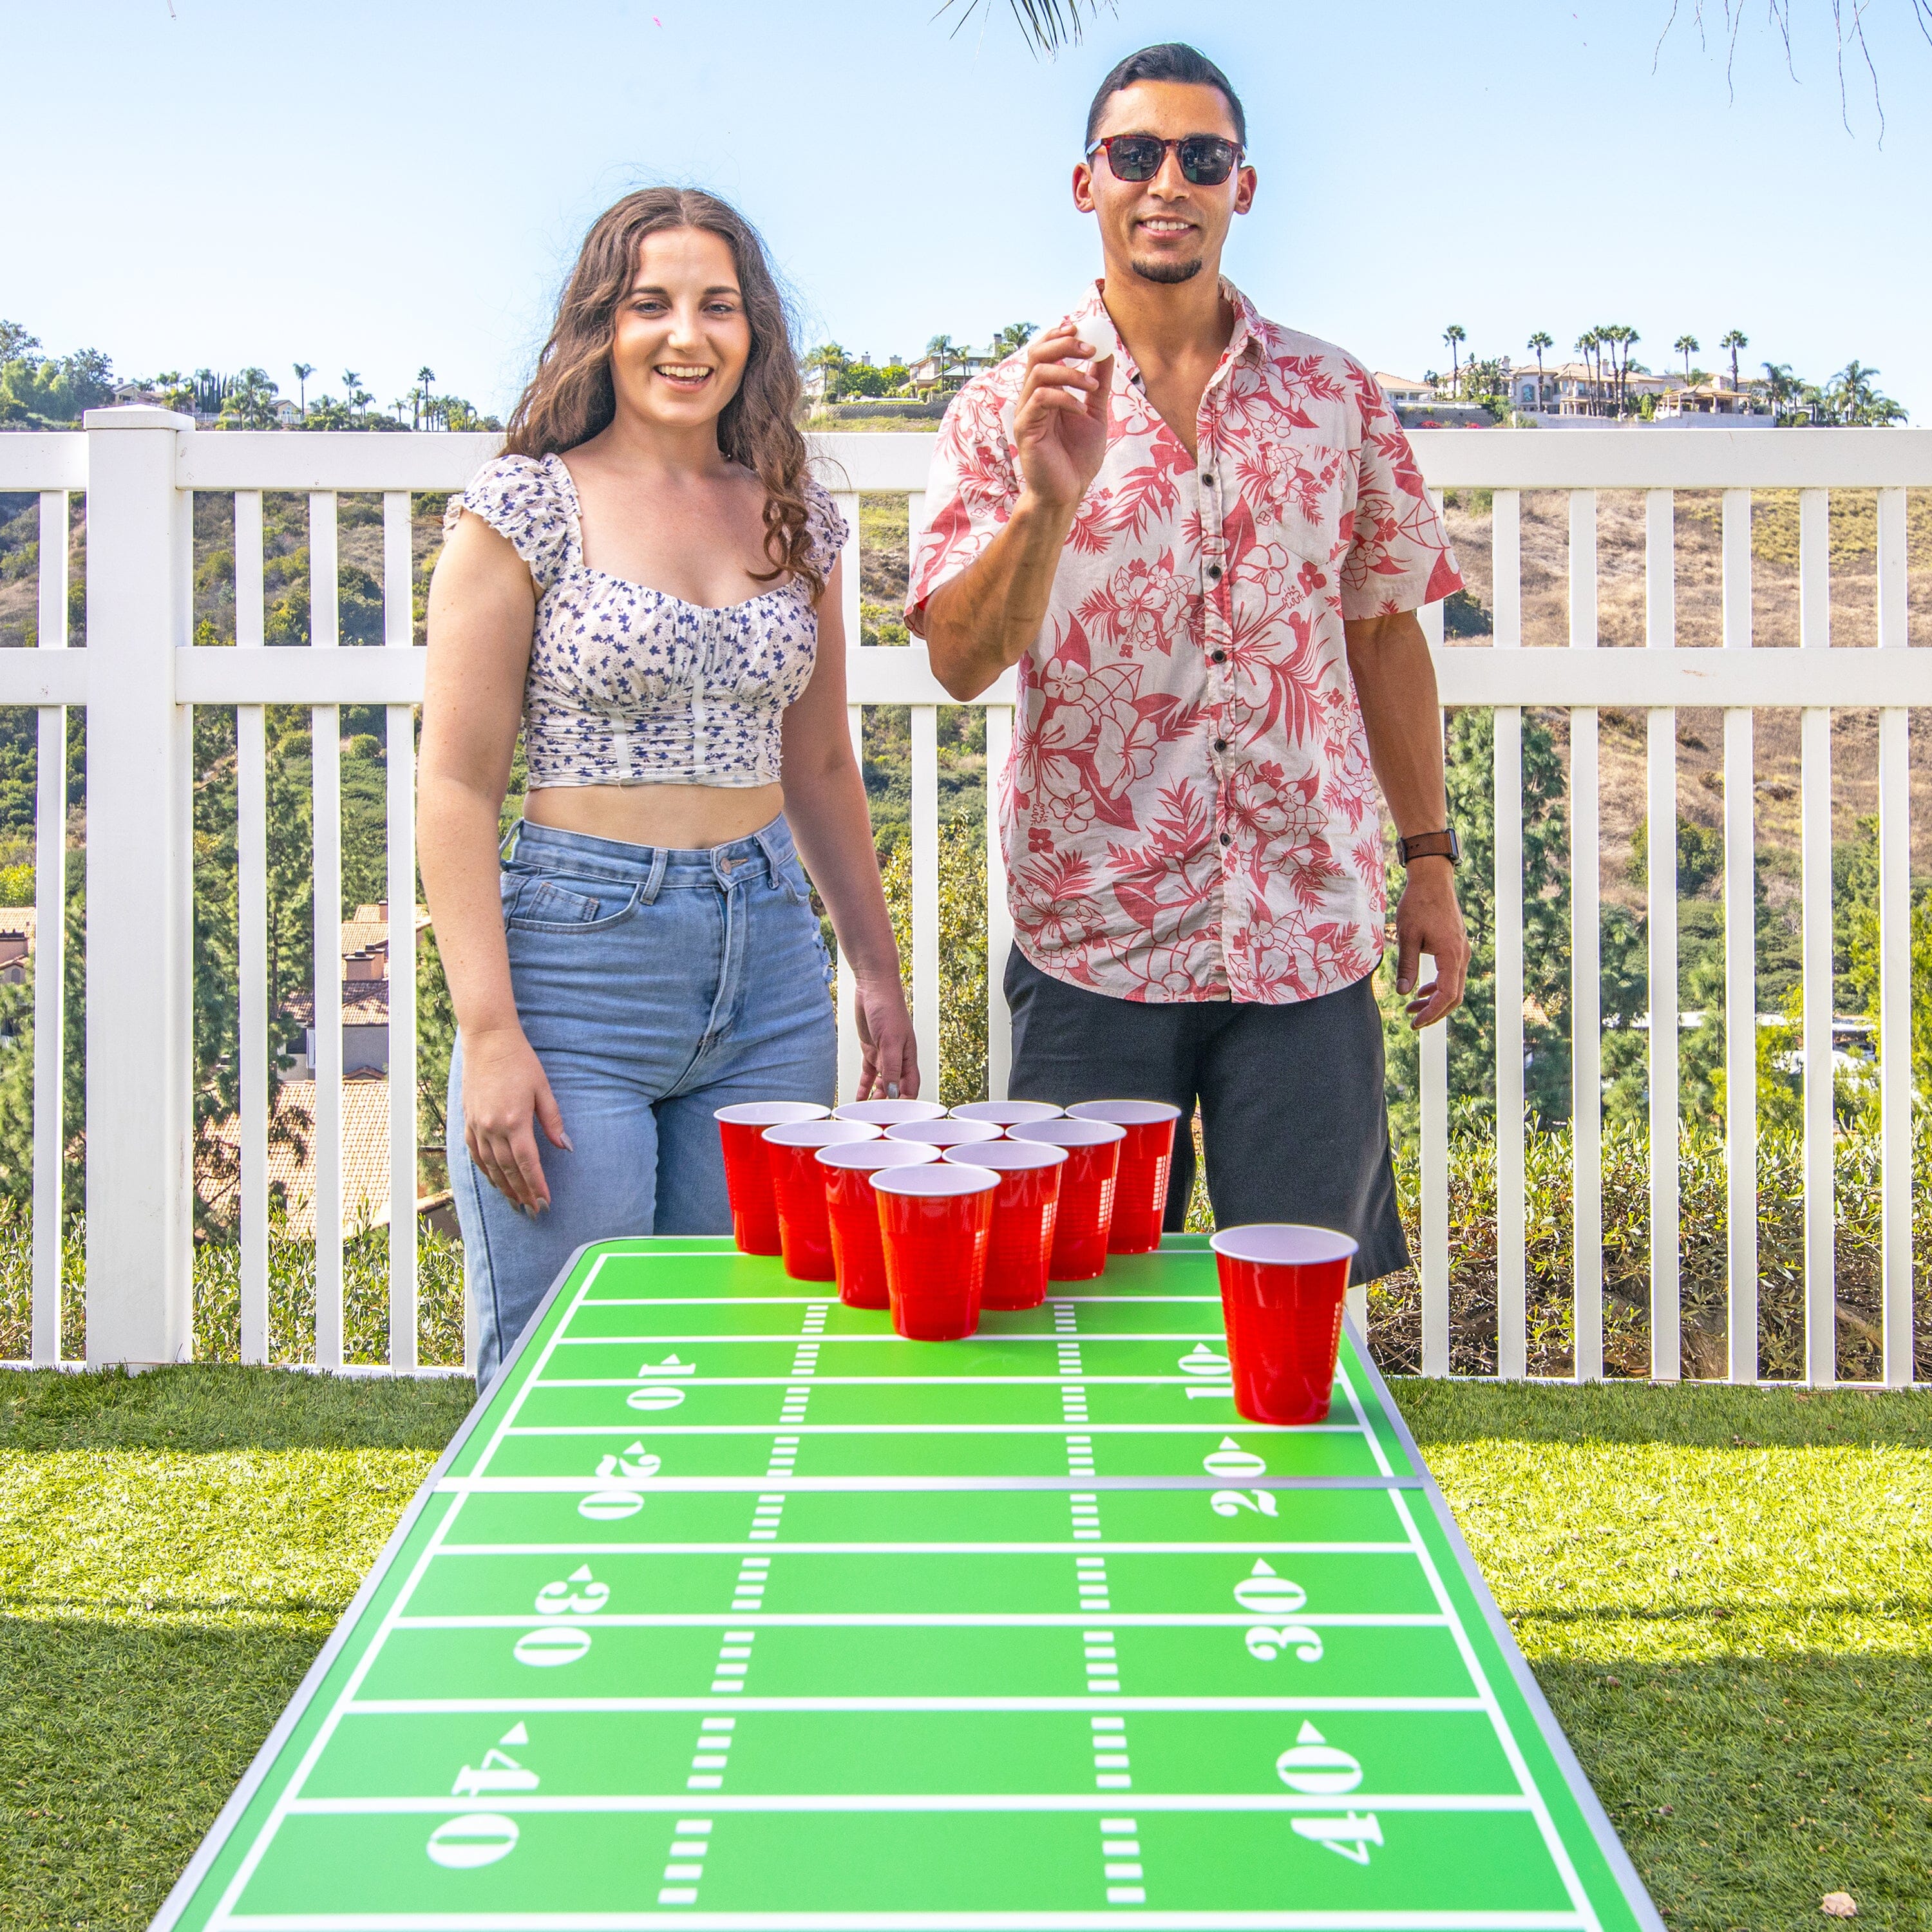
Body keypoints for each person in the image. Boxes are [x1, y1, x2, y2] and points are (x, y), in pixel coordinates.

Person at [907, 43, 1470, 1283]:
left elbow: (1383, 631)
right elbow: (957, 659)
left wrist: (1429, 861)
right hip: (1096, 937)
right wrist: (1047, 503)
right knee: (1084, 1316)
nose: (1169, 181)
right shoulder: (1003, 409)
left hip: (1307, 934)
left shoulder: (1336, 398)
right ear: (1085, 181)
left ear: (1242, 187)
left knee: (1301, 1311)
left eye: (1200, 156)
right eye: (1136, 154)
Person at [422, 187, 916, 1385]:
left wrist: (877, 969)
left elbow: (821, 763)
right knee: (565, 1374)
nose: (687, 337)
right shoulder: (525, 505)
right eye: (651, 304)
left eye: (718, 307)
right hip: (577, 968)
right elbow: (454, 784)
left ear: (756, 336)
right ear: (603, 324)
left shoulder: (798, 521)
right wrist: (489, 1033)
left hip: (773, 981)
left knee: (741, 1365)